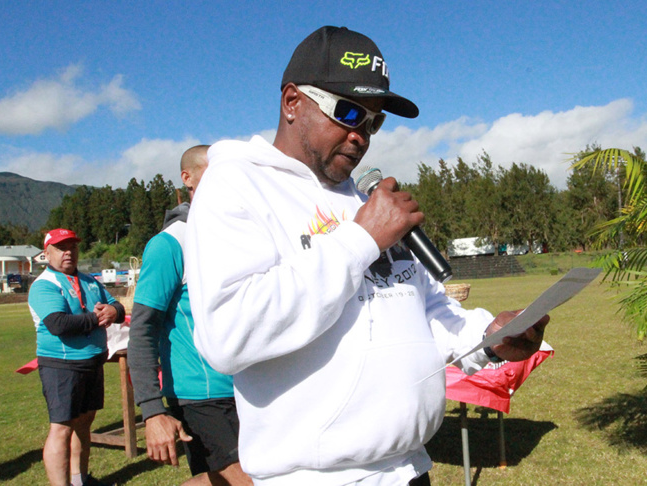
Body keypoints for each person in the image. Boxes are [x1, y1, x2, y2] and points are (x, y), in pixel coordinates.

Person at [185, 26, 548, 485]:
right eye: (349, 111)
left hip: (412, 469)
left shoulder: (366, 202)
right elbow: (229, 334)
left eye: (374, 121)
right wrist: (360, 240)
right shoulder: (236, 185)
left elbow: (426, 308)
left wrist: (490, 336)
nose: (362, 135)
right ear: (292, 102)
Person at [127, 145, 251, 485]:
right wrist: (152, 410)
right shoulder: (169, 244)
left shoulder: (237, 235)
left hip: (253, 386)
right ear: (188, 178)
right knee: (243, 480)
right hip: (203, 394)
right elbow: (141, 330)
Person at [28, 228, 126, 486]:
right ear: (46, 253)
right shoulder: (44, 285)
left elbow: (116, 304)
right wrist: (98, 317)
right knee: (61, 428)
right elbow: (59, 324)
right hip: (61, 364)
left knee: (84, 423)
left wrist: (113, 312)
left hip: (92, 361)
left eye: (72, 246)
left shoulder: (90, 281)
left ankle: (80, 479)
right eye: (61, 248)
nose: (69, 252)